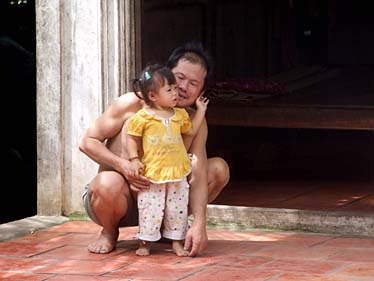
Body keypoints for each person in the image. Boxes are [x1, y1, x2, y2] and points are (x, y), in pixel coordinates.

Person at [79, 41, 230, 256]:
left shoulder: (194, 120)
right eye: (179, 77)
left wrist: (200, 224)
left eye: (193, 83)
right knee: (107, 183)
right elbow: (87, 141)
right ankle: (109, 231)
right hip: (120, 200)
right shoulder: (132, 103)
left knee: (218, 169)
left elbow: (197, 173)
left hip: (163, 197)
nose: (184, 87)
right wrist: (124, 166)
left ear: (201, 91)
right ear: (166, 75)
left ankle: (169, 229)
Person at [125, 64, 209, 256]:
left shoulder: (179, 115)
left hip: (177, 172)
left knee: (177, 209)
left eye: (174, 88)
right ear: (153, 96)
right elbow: (132, 137)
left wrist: (201, 111)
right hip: (153, 173)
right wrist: (133, 159)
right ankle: (145, 242)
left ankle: (177, 242)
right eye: (169, 90)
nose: (175, 93)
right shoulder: (143, 117)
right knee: (150, 208)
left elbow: (191, 131)